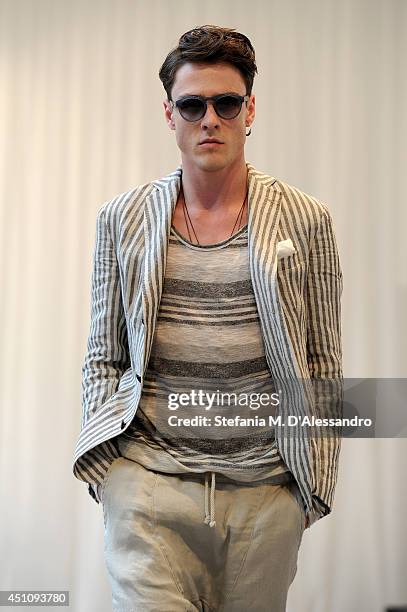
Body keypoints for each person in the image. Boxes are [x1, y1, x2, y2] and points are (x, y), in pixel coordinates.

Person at [73, 25, 343, 612]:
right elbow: (104, 353)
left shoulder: (306, 220)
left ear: (250, 110)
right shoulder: (123, 219)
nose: (210, 119)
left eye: (226, 103)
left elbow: (322, 360)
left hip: (265, 493)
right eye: (193, 105)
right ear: (170, 114)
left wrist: (307, 489)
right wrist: (112, 481)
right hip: (149, 486)